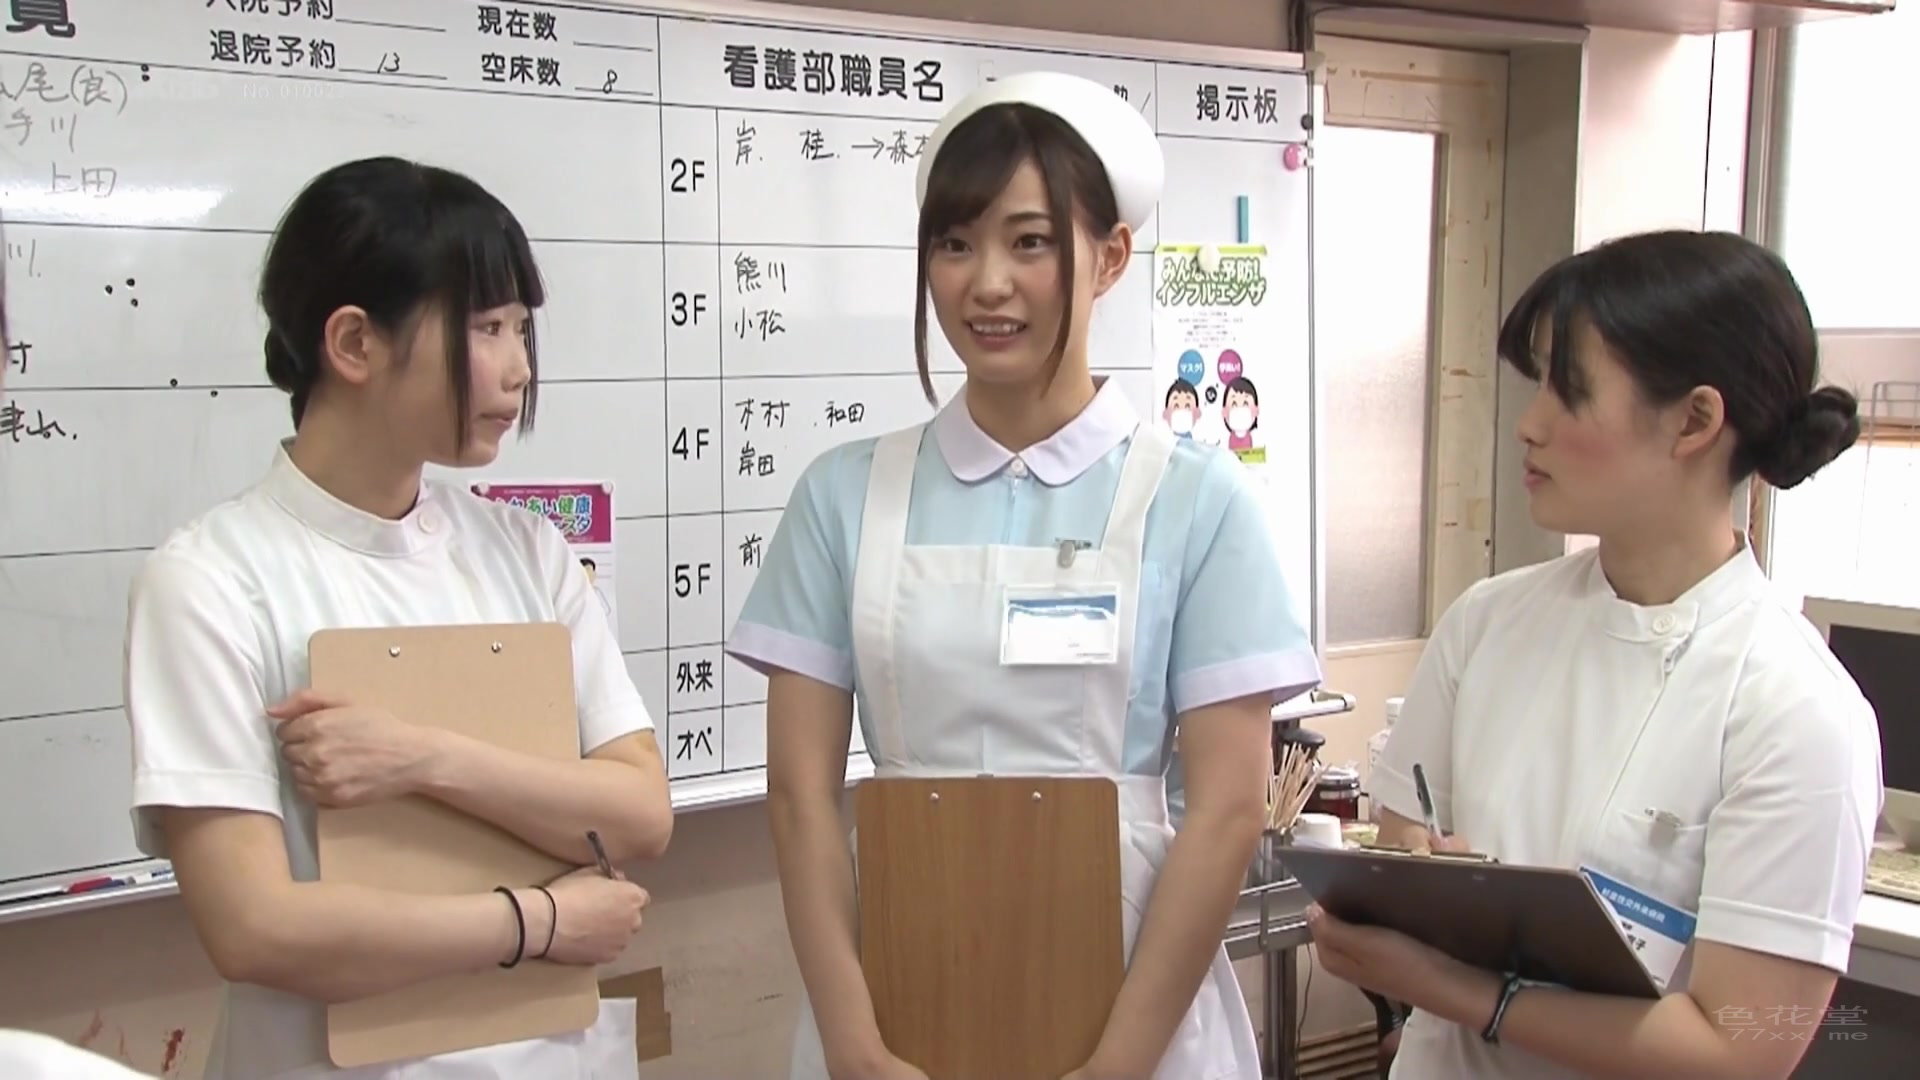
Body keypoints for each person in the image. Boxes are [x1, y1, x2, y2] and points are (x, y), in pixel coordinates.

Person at [725, 72, 1321, 1080]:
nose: (986, 283)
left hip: (1136, 1008)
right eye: (955, 244)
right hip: (895, 999)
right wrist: (853, 1042)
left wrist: (1120, 1062)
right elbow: (799, 796)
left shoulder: (1196, 500)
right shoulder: (843, 495)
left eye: (1030, 242)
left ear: (1110, 257)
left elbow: (1227, 809)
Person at [122, 157, 673, 1079]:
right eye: (487, 327)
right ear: (353, 343)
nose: (519, 367)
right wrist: (537, 921)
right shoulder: (210, 582)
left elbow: (638, 815)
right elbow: (255, 928)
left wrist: (422, 758)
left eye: (523, 329)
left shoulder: (527, 551)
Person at [1310, 230, 1883, 1080]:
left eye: (1568, 389)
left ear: (1695, 420)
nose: (1530, 424)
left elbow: (1743, 1050)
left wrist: (1461, 987)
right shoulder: (1487, 624)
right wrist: (1401, 906)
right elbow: (1404, 847)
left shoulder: (1796, 709)